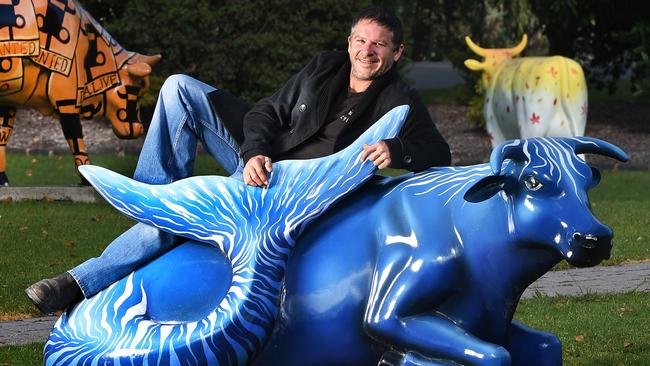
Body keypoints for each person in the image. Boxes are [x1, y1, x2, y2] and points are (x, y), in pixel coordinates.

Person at [25, 5, 451, 314]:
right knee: (177, 87)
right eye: (360, 40)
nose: (367, 50)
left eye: (379, 44)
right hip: (262, 163)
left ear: (397, 53)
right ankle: (151, 197)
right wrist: (254, 151)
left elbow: (439, 154)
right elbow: (268, 111)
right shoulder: (326, 66)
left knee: (178, 213)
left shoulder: (400, 99)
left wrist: (397, 150)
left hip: (294, 195)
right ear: (349, 42)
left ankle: (77, 283)